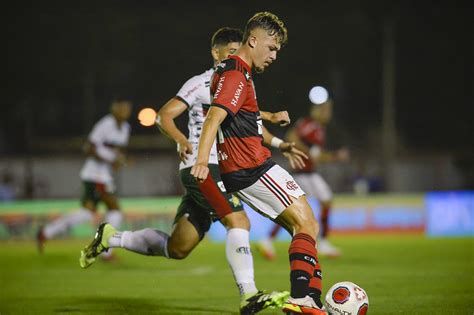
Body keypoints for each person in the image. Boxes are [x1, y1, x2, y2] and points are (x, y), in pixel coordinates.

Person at [79, 27, 298, 315]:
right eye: (230, 52)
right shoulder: (201, 83)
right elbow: (164, 115)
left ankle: (111, 237)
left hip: (223, 167)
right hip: (202, 166)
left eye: (238, 51)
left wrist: (280, 142)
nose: (235, 57)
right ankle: (250, 296)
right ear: (215, 53)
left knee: (178, 247)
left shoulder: (243, 80)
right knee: (239, 222)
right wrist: (181, 140)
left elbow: (252, 125)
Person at [191, 12, 327, 315]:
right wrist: (201, 160)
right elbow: (215, 116)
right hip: (251, 167)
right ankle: (303, 297)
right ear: (253, 40)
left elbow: (244, 118)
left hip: (245, 167)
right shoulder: (236, 73)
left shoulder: (234, 72)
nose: (275, 55)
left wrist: (278, 137)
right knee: (307, 223)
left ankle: (312, 300)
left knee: (304, 226)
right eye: (272, 47)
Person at [37, 98, 132, 261]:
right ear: (114, 109)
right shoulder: (105, 124)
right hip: (95, 174)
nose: (125, 112)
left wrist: (120, 161)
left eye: (127, 109)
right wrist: (110, 161)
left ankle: (46, 232)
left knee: (87, 213)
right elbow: (89, 147)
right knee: (114, 209)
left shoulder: (125, 129)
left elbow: (116, 153)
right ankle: (105, 251)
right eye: (122, 109)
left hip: (103, 176)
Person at [257, 98, 350, 259]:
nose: (329, 114)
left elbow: (318, 156)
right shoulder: (311, 124)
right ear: (319, 110)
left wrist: (331, 156)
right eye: (326, 110)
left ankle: (268, 240)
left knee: (292, 209)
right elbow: (292, 135)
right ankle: (323, 243)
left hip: (305, 173)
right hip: (303, 173)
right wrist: (317, 153)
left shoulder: (318, 127)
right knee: (323, 201)